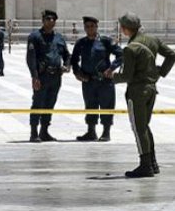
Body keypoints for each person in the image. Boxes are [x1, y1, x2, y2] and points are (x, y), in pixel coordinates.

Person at [106, 13, 175, 178]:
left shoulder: (131, 48)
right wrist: (160, 72)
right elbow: (172, 55)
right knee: (144, 126)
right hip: (151, 89)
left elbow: (127, 76)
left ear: (125, 29)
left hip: (137, 92)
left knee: (139, 128)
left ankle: (145, 165)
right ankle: (152, 163)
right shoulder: (152, 40)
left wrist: (112, 78)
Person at [71, 16, 123, 142]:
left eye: (92, 26)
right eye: (87, 26)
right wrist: (77, 73)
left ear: (97, 27)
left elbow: (121, 55)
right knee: (90, 105)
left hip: (105, 81)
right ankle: (91, 131)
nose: (90, 29)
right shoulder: (81, 43)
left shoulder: (105, 41)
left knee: (107, 105)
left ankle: (106, 132)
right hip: (88, 81)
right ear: (84, 28)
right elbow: (74, 60)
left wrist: (111, 69)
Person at [26, 10, 71, 143]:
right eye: (48, 18)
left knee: (50, 103)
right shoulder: (35, 36)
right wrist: (34, 77)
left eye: (53, 19)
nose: (50, 21)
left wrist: (67, 66)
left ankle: (44, 131)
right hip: (42, 76)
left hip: (56, 76)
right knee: (37, 103)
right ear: (43, 20)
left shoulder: (59, 38)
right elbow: (31, 58)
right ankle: (34, 132)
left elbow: (67, 55)